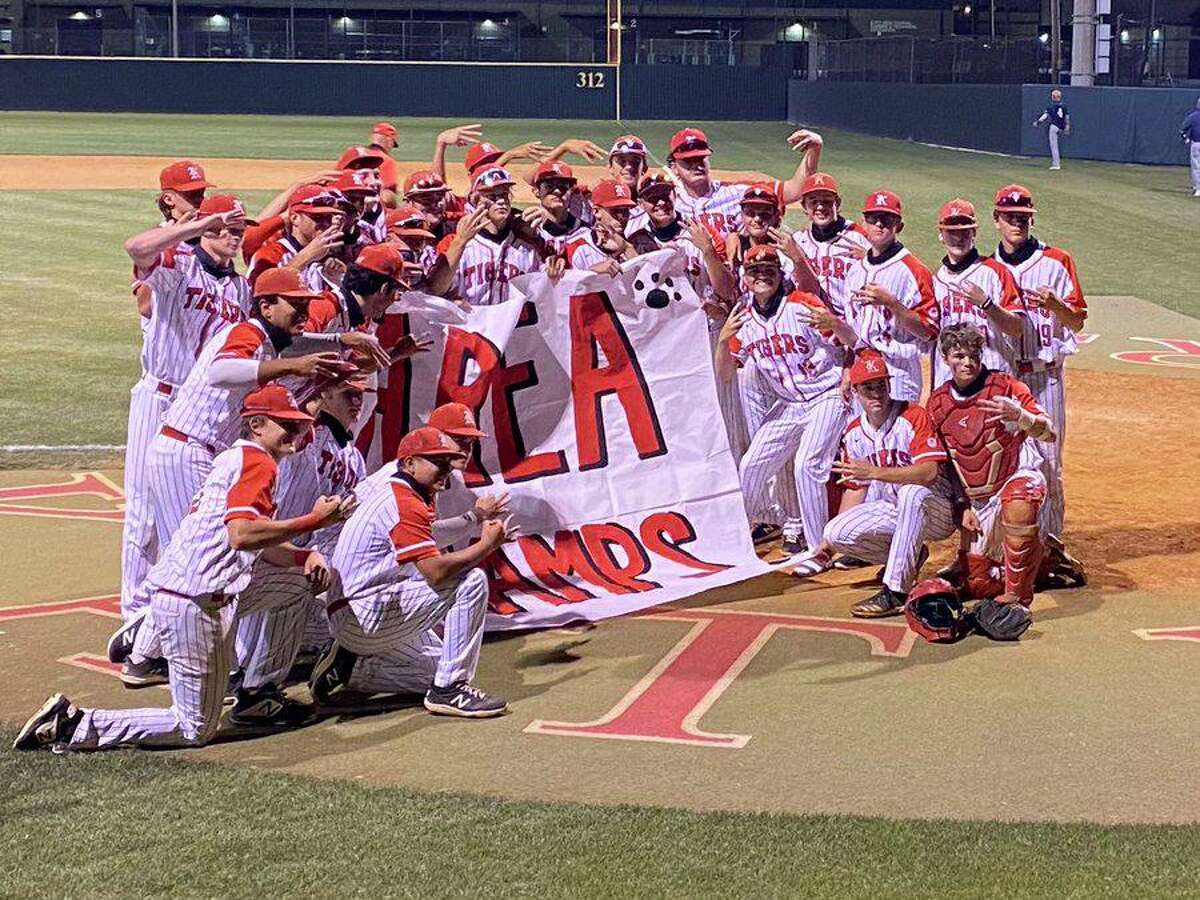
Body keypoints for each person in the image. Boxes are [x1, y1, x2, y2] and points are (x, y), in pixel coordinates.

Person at [13, 386, 356, 753]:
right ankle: (75, 725)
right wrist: (313, 521)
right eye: (286, 424)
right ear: (256, 425)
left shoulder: (235, 458)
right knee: (193, 729)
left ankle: (259, 694)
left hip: (194, 592)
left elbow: (255, 538)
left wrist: (303, 558)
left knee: (298, 584)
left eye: (299, 425)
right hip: (195, 604)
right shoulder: (259, 463)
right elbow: (242, 535)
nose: (296, 432)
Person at [309, 426, 518, 717]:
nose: (446, 468)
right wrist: (486, 546)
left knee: (438, 667)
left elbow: (429, 535)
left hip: (362, 608)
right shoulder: (402, 499)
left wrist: (475, 520)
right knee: (471, 580)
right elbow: (435, 573)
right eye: (438, 461)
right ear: (409, 463)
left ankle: (351, 669)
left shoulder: (407, 490)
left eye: (448, 461)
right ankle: (450, 690)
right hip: (362, 612)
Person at [116, 195, 256, 626]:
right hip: (161, 396)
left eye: (239, 229)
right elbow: (137, 248)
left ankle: (173, 602)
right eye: (227, 228)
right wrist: (197, 226)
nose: (235, 236)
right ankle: (137, 615)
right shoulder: (179, 265)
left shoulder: (240, 287)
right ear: (208, 229)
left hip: (206, 412)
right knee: (144, 513)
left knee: (194, 509)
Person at [715, 245, 848, 569]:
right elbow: (725, 374)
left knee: (807, 465)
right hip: (788, 405)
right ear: (746, 278)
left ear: (780, 274)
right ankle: (737, 542)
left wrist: (836, 324)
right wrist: (722, 341)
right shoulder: (742, 318)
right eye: (755, 272)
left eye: (768, 271)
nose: (762, 276)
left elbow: (850, 342)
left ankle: (819, 550)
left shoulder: (803, 303)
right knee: (751, 465)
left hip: (826, 396)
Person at [795, 350, 956, 617]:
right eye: (868, 387)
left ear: (889, 386)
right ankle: (909, 558)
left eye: (881, 385)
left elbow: (928, 472)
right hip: (896, 512)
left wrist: (875, 472)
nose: (876, 393)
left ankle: (896, 591)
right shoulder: (854, 432)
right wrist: (825, 547)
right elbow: (856, 488)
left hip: (936, 508)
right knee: (837, 532)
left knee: (912, 493)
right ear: (856, 391)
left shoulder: (913, 416)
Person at [926, 324, 1056, 640]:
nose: (968, 362)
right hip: (977, 497)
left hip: (1016, 475)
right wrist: (962, 506)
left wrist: (1022, 418)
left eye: (974, 355)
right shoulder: (938, 403)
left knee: (1020, 504)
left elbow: (1049, 432)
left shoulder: (1006, 388)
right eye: (959, 356)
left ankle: (1018, 598)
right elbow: (946, 464)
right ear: (946, 358)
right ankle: (1047, 560)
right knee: (981, 585)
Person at [990, 184, 1086, 576]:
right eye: (1009, 216)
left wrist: (1055, 305)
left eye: (1023, 216)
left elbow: (1077, 320)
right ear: (996, 220)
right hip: (1004, 379)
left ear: (1031, 219)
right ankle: (1000, 548)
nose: (1016, 222)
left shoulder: (1057, 261)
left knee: (1047, 463)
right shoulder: (986, 268)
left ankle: (1049, 548)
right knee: (999, 463)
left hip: (1045, 378)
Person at [839, 190, 939, 402]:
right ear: (863, 224)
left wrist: (892, 304)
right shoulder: (856, 270)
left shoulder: (914, 270)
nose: (879, 224)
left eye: (886, 219)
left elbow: (928, 331)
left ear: (898, 226)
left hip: (898, 371)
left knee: (899, 433)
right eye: (873, 218)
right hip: (862, 366)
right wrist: (849, 367)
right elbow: (853, 328)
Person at [930, 198, 1024, 388]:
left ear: (974, 232)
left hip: (992, 377)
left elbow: (1017, 328)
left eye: (965, 231)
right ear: (941, 234)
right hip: (947, 382)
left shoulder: (996, 272)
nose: (958, 238)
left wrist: (987, 304)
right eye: (951, 232)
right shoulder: (934, 280)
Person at [790, 172, 871, 316]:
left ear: (837, 203)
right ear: (804, 206)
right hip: (815, 325)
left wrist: (870, 259)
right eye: (813, 201)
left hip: (854, 326)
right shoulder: (797, 241)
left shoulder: (859, 237)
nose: (820, 207)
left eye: (827, 201)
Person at [1033, 89, 1070, 171]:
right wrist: (1067, 126)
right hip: (1060, 126)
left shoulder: (1051, 106)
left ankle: (1056, 164)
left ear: (1053, 97)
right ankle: (1056, 163)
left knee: (1054, 146)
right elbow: (1067, 117)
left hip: (1054, 126)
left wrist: (1038, 122)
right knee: (1055, 146)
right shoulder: (1064, 106)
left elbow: (1045, 116)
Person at [365, 122, 400, 206]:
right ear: (389, 140)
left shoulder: (352, 153)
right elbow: (387, 197)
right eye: (393, 144)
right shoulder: (386, 160)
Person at [1180, 96, 1200, 197]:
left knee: (1196, 167)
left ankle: (1198, 189)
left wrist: (1185, 139)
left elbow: (1182, 129)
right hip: (1196, 143)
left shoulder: (1193, 116)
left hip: (1196, 143)